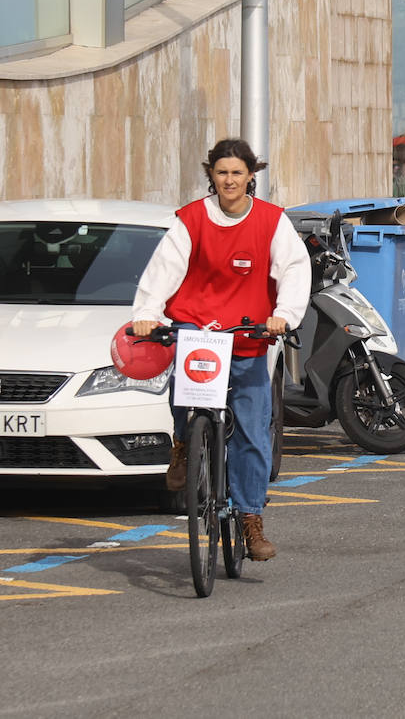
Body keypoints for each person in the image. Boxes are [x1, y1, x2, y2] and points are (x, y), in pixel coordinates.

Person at [131, 139, 311, 562]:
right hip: (198, 325)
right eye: (221, 172)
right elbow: (162, 270)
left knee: (252, 429)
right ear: (210, 175)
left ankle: (250, 520)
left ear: (252, 175)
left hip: (248, 334)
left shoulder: (271, 221)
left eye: (237, 172)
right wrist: (147, 312)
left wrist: (283, 313)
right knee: (184, 383)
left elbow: (295, 268)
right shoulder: (191, 219)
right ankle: (183, 443)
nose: (229, 180)